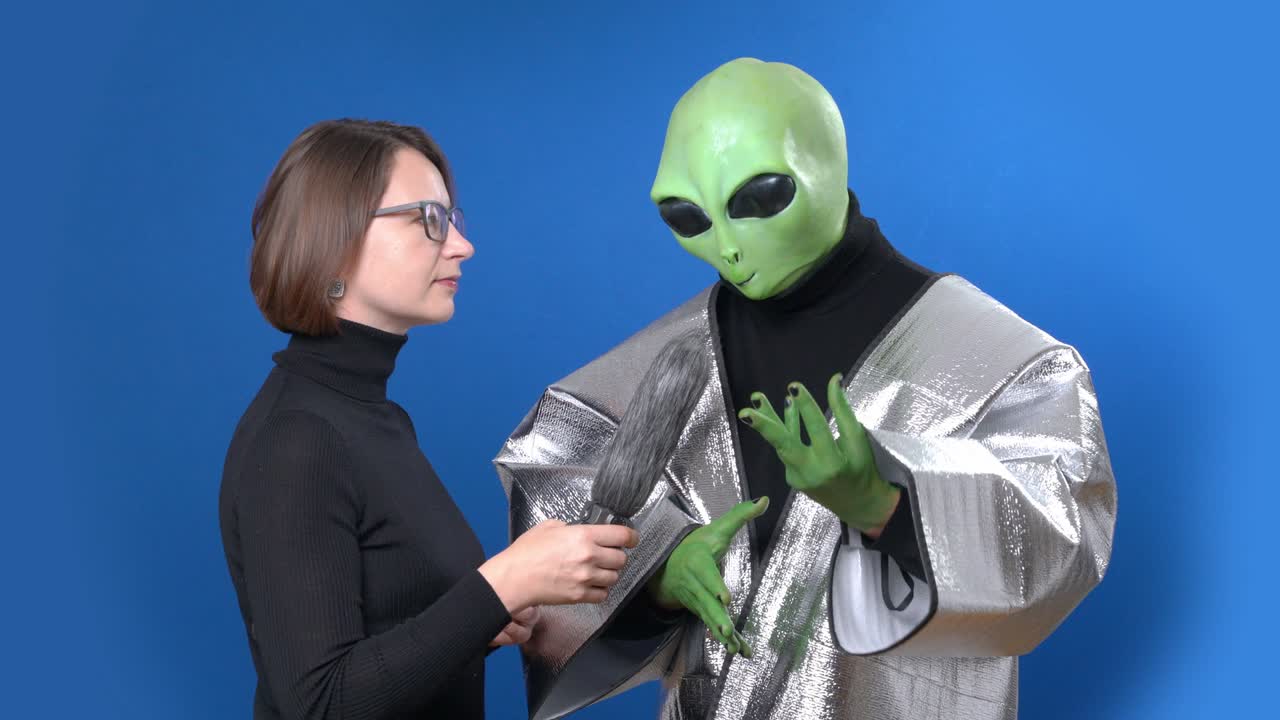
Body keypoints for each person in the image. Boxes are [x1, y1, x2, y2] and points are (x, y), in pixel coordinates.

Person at [495, 59, 1117, 719]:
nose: (729, 247)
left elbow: (1062, 534)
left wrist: (889, 507)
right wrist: (656, 576)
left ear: (827, 167)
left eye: (759, 200)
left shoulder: (1003, 363)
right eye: (688, 217)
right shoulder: (666, 361)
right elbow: (557, 483)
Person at [218, 118, 638, 720]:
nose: (462, 246)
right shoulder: (298, 438)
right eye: (428, 220)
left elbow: (387, 638)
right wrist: (501, 587)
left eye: (453, 219)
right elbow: (320, 704)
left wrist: (485, 618)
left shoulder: (375, 418)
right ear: (334, 238)